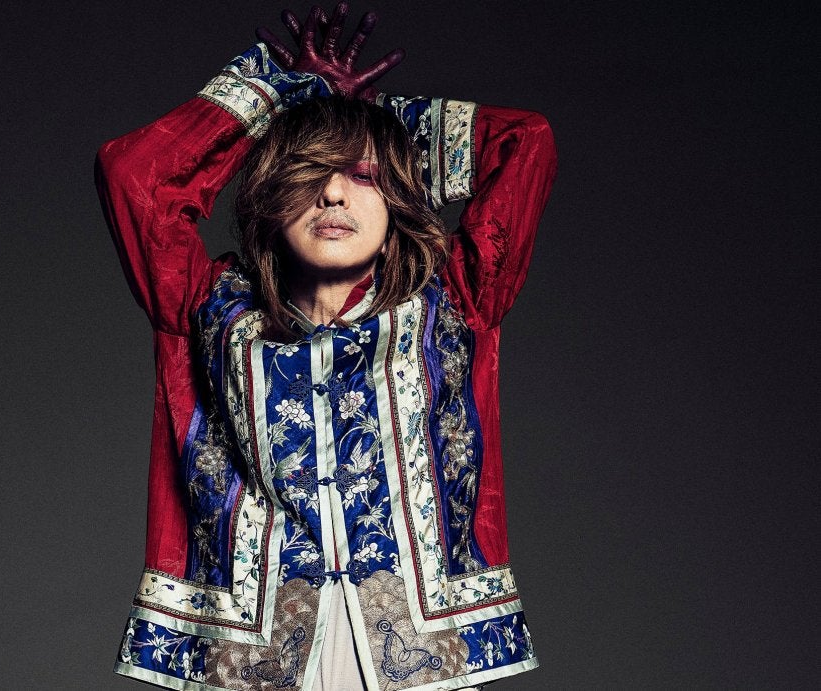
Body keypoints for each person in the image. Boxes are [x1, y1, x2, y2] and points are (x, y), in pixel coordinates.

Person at [95, 4, 557, 689]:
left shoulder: (458, 300)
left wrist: (374, 121)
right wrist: (279, 94)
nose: (335, 192)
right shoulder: (206, 307)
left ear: (398, 196)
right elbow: (133, 174)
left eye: (363, 175)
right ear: (271, 194)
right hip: (249, 664)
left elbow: (527, 141)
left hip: (423, 663)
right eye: (310, 172)